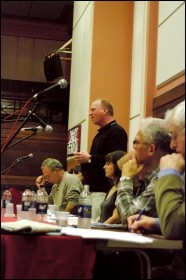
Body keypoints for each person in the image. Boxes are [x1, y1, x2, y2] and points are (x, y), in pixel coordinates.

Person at [127, 101, 185, 279]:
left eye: (175, 136)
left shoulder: (171, 170)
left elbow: (175, 227)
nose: (173, 145)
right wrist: (156, 223)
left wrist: (168, 174)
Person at [74, 98, 128, 220]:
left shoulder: (117, 131)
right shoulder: (99, 134)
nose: (90, 113)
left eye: (93, 110)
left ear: (105, 110)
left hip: (102, 190)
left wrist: (90, 158)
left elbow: (116, 161)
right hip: (92, 189)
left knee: (93, 227)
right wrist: (84, 161)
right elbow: (96, 162)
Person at [115, 117, 173, 229]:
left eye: (136, 142)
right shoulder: (148, 175)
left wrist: (125, 179)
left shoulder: (162, 177)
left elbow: (128, 217)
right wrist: (135, 180)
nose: (133, 147)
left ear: (151, 149)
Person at [97, 150, 125, 224]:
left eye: (108, 164)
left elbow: (116, 218)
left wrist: (99, 229)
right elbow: (101, 215)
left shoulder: (122, 188)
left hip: (110, 231)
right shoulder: (112, 187)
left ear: (117, 166)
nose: (104, 167)